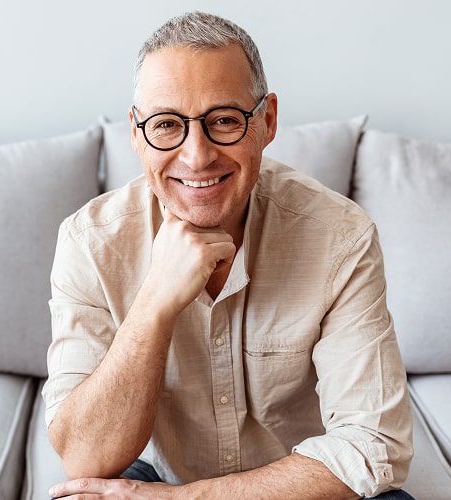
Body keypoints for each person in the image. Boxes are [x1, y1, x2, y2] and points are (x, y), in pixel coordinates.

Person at [42, 11, 413, 499]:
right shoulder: (90, 242)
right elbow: (85, 458)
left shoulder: (341, 238)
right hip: (151, 477)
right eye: (167, 125)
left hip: (291, 487)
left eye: (223, 121)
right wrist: (154, 303)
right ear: (136, 133)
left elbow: (373, 446)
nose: (197, 156)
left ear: (267, 121)